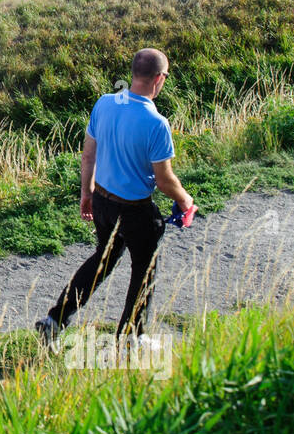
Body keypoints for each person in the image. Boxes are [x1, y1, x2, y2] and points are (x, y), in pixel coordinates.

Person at [37, 49, 193, 342]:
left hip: (103, 203)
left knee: (103, 260)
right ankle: (132, 338)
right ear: (159, 79)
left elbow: (88, 155)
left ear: (134, 73)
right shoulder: (157, 123)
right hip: (135, 211)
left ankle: (54, 320)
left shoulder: (105, 103)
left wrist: (87, 192)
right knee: (143, 271)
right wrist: (185, 199)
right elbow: (164, 180)